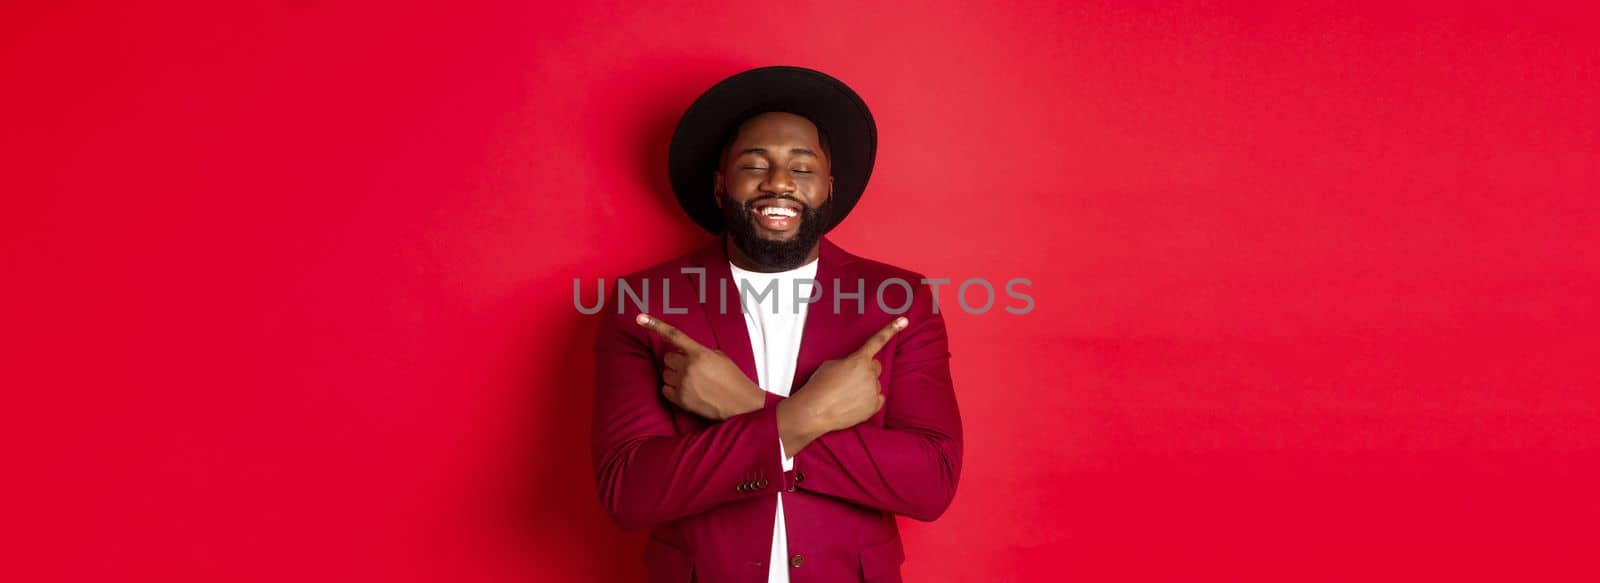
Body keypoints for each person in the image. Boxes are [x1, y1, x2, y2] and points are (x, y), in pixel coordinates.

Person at [591, 65, 963, 583]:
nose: (780, 181)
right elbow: (629, 492)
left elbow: (930, 485)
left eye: (802, 167)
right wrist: (803, 419)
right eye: (755, 163)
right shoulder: (645, 303)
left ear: (828, 188)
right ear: (722, 186)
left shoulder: (899, 299)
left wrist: (744, 406)